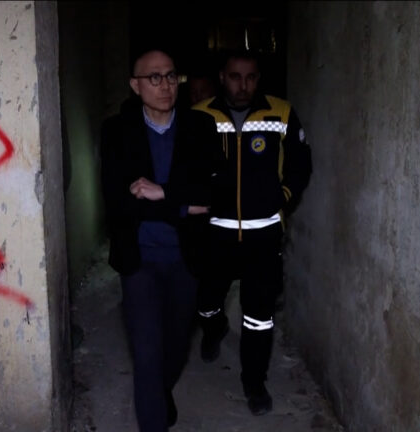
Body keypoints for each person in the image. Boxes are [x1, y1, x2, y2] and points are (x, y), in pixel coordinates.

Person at [100, 48, 217, 431]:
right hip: (140, 260)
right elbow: (119, 202)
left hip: (187, 259)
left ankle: (159, 390)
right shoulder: (116, 131)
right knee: (147, 354)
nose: (165, 85)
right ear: (135, 86)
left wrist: (162, 193)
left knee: (176, 349)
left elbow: (211, 196)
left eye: (170, 76)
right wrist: (185, 205)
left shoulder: (201, 127)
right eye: (154, 77)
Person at [192, 50, 312, 416]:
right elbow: (184, 169)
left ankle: (254, 382)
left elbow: (300, 164)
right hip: (215, 234)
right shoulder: (200, 116)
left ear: (259, 79)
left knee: (259, 315)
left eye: (251, 77)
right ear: (222, 77)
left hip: (264, 236)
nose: (243, 85)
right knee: (206, 302)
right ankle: (214, 328)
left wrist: (283, 197)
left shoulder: (281, 113)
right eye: (235, 76)